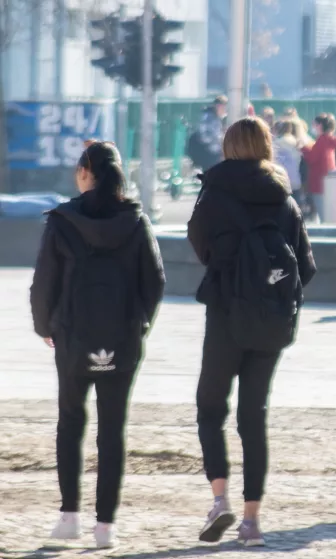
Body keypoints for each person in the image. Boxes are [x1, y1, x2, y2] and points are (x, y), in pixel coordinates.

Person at [188, 117, 316, 547]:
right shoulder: (284, 199)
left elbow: (201, 246)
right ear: (267, 147)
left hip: (226, 314)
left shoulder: (213, 195)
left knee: (210, 407)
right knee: (253, 416)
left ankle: (219, 499)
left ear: (227, 146)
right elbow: (306, 267)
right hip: (270, 322)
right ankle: (252, 521)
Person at [31, 141, 165, 549]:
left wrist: (45, 327)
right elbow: (155, 282)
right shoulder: (135, 220)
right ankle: (105, 527)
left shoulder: (63, 221)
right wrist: (138, 324)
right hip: (121, 340)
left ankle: (69, 516)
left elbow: (44, 282)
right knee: (112, 431)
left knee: (70, 424)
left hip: (72, 337)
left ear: (86, 172)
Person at [301, 113, 336, 223]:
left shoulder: (322, 140)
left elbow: (312, 158)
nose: (313, 127)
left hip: (319, 182)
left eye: (314, 124)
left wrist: (303, 148)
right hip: (327, 181)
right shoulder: (329, 140)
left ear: (320, 125)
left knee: (323, 214)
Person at [272, 120, 307, 211]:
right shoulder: (298, 144)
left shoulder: (276, 144)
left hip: (281, 182)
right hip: (296, 182)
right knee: (296, 211)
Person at [192, 95, 229, 172]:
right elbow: (205, 137)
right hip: (207, 154)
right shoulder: (209, 118)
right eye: (224, 108)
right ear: (219, 106)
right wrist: (220, 142)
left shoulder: (215, 118)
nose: (225, 111)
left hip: (211, 154)